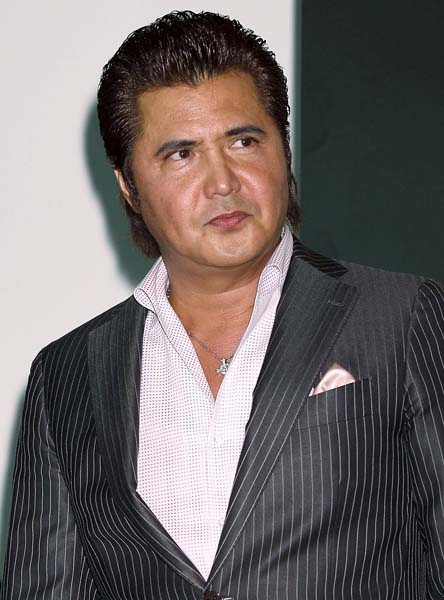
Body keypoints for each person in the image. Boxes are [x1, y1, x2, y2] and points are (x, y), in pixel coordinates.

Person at [2, 10, 444, 600]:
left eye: (243, 141)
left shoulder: (403, 317)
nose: (223, 182)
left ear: (284, 151)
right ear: (129, 186)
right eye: (181, 154)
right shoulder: (66, 375)